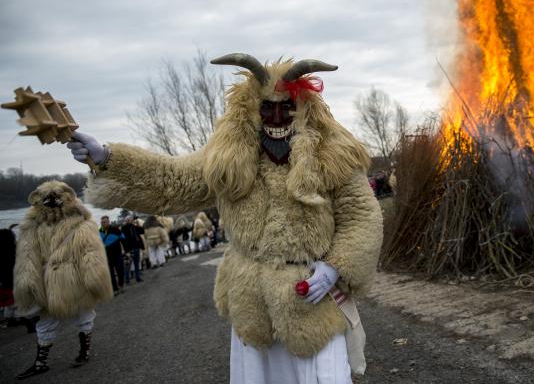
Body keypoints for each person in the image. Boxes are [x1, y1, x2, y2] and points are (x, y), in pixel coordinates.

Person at [68, 53, 383, 383]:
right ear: (252, 109)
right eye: (267, 108)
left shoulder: (333, 153)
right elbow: (172, 181)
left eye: (286, 107)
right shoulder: (230, 156)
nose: (276, 117)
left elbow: (362, 216)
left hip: (311, 302)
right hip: (252, 302)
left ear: (302, 107)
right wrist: (106, 158)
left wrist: (334, 267)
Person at [13, 181, 112, 379]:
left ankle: (84, 351)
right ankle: (41, 362)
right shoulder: (32, 227)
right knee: (46, 323)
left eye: (56, 200)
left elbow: (90, 254)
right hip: (47, 285)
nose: (52, 205)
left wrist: (94, 280)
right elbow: (27, 258)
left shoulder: (82, 225)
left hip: (74, 281)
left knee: (83, 316)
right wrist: (28, 285)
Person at [99, 216, 126, 295]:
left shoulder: (116, 230)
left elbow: (123, 240)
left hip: (117, 254)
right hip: (107, 256)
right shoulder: (99, 232)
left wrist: (126, 250)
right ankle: (115, 289)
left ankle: (121, 284)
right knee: (110, 273)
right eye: (101, 222)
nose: (102, 224)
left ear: (108, 222)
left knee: (120, 270)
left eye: (104, 222)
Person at [120, 214, 144, 283]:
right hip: (129, 249)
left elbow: (142, 231)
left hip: (136, 247)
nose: (132, 221)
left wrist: (138, 225)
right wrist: (126, 250)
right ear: (127, 221)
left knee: (136, 263)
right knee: (128, 265)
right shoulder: (124, 228)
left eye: (132, 219)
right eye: (131, 220)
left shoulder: (134, 227)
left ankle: (137, 277)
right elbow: (124, 239)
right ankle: (127, 279)